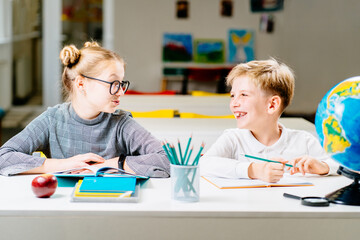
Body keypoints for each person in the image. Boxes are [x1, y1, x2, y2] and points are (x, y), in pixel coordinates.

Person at [0, 41, 170, 177]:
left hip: (113, 204)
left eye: (121, 83)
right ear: (81, 83)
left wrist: (108, 164)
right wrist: (65, 164)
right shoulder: (52, 119)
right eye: (113, 84)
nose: (120, 92)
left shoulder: (121, 123)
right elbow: (4, 156)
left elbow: (167, 158)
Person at [200, 58, 338, 183]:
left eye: (243, 95)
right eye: (232, 95)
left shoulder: (304, 141)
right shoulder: (233, 139)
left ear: (272, 105)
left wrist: (323, 167)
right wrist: (254, 170)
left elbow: (342, 164)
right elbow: (204, 164)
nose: (234, 103)